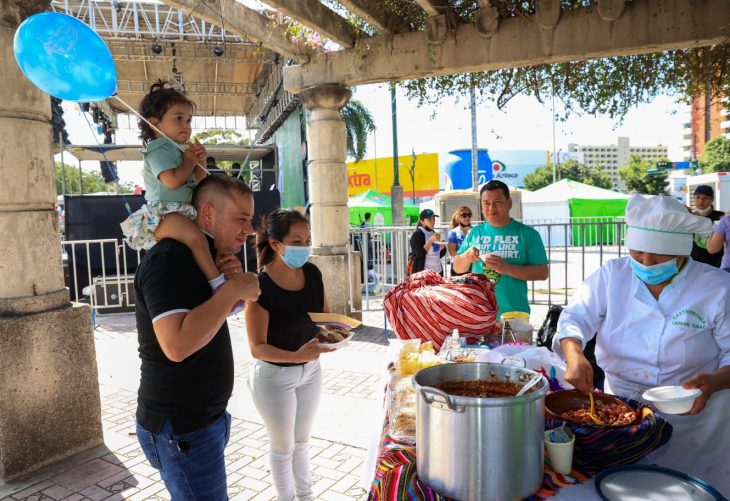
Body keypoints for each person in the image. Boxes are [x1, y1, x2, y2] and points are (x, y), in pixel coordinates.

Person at [553, 194, 730, 495]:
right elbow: (575, 318)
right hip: (622, 411)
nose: (646, 263)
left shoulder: (716, 287)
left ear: (682, 253)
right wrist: (574, 355)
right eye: (637, 254)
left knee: (693, 492)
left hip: (695, 420)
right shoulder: (612, 276)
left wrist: (714, 380)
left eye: (658, 258)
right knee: (623, 489)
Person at [134, 175, 261, 499]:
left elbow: (206, 317)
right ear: (207, 215)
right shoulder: (169, 259)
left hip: (201, 422)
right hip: (180, 427)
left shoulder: (202, 258)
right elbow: (176, 345)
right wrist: (231, 290)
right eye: (241, 219)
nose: (249, 230)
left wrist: (226, 289)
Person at [120, 81, 240, 309]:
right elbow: (173, 181)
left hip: (181, 209)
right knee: (196, 239)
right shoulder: (157, 149)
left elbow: (198, 184)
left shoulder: (178, 149)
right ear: (154, 123)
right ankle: (218, 285)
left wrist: (200, 160)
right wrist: (189, 161)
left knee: (205, 240)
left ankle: (216, 278)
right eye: (178, 118)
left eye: (188, 120)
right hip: (164, 212)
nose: (186, 126)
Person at [245, 209, 334, 501]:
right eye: (296, 241)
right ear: (275, 243)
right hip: (274, 377)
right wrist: (298, 356)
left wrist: (335, 334)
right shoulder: (260, 287)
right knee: (283, 449)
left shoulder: (312, 272)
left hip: (311, 371)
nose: (304, 247)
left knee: (302, 442)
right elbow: (257, 347)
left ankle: (306, 497)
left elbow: (325, 317)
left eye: (307, 240)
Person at [453, 180, 548, 316]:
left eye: (497, 202)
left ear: (509, 203)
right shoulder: (474, 233)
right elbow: (457, 268)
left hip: (514, 314)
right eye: (486, 204)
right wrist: (467, 256)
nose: (491, 208)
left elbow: (542, 273)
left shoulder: (528, 234)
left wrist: (508, 268)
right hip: (479, 314)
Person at [689, 185, 724, 267]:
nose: (701, 200)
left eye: (705, 198)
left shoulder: (721, 217)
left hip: (717, 263)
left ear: (712, 200)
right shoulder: (688, 217)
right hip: (694, 264)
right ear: (694, 199)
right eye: (698, 197)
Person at [409, 208, 446, 275]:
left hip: (438, 272)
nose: (433, 221)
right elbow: (418, 255)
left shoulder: (434, 233)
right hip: (423, 274)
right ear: (422, 221)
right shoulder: (417, 234)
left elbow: (439, 254)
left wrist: (442, 245)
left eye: (434, 219)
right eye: (429, 219)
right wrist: (430, 241)